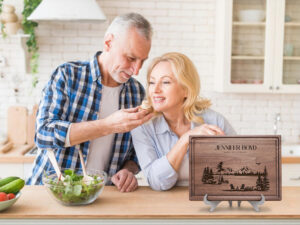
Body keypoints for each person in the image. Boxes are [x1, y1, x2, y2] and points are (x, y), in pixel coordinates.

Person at [26, 13, 154, 193]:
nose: (137, 70)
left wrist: (128, 171)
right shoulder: (68, 75)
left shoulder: (136, 92)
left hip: (100, 198)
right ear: (108, 43)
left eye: (143, 61)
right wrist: (107, 125)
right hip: (48, 194)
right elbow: (43, 135)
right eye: (131, 58)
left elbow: (136, 152)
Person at [131, 52, 236, 191]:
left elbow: (240, 169)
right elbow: (157, 182)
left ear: (186, 89)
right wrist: (185, 140)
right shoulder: (143, 126)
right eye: (152, 82)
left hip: (209, 200)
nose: (155, 90)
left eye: (165, 82)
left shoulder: (214, 121)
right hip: (166, 205)